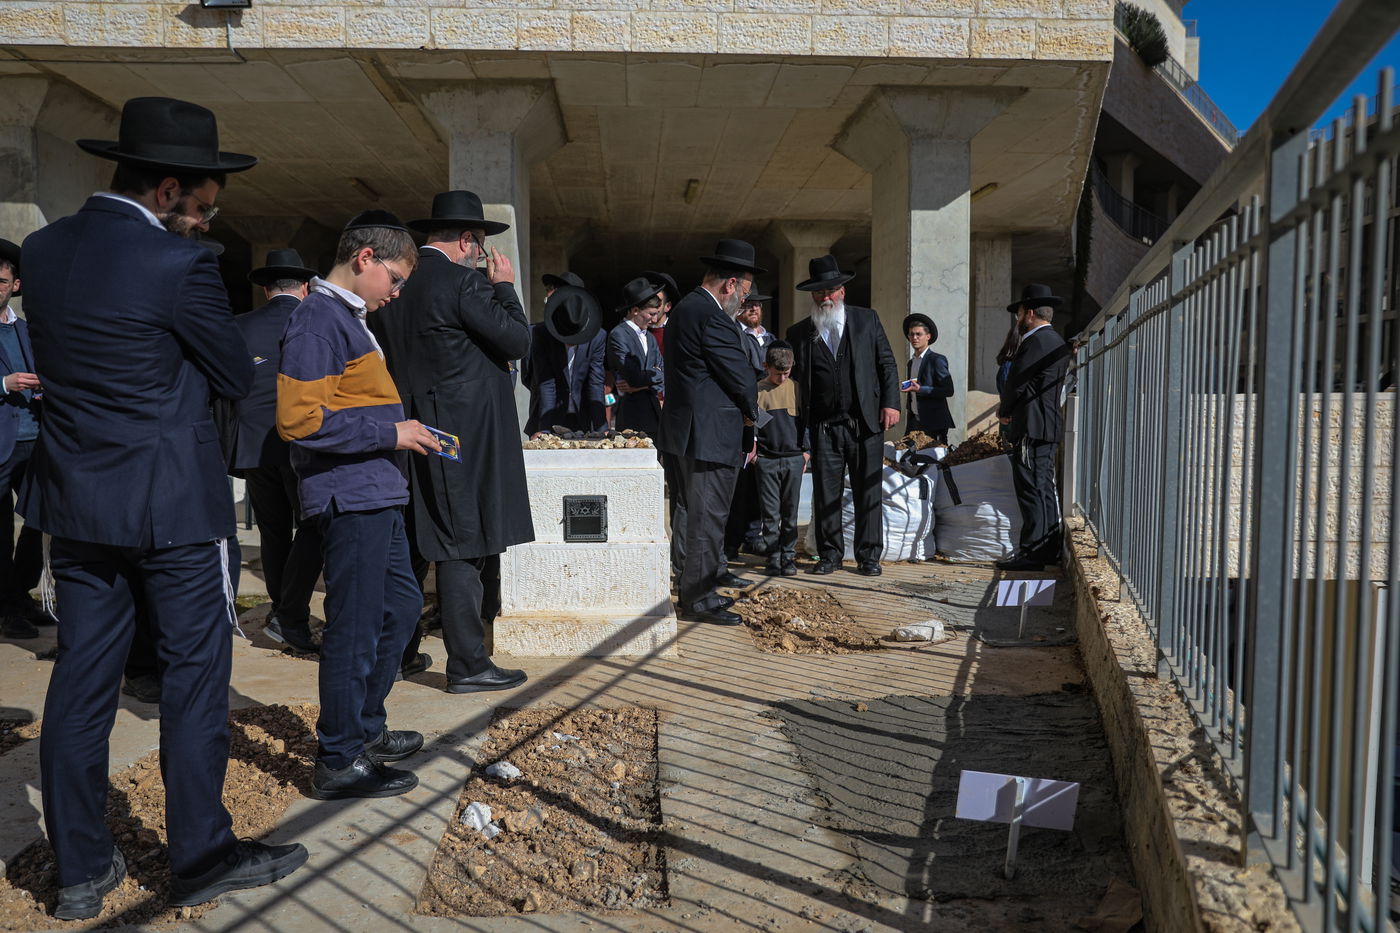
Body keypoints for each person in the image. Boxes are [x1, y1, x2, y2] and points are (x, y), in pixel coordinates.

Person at [19, 96, 307, 920]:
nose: (209, 219)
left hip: (76, 500)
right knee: (193, 674)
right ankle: (202, 854)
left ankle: (80, 870)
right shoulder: (180, 264)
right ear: (169, 189)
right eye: (205, 205)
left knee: (82, 677)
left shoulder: (41, 248)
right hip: (171, 505)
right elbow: (233, 373)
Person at [276, 209, 441, 798]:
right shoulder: (318, 318)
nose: (396, 293)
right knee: (355, 625)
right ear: (364, 258)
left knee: (400, 607)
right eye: (394, 279)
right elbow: (298, 420)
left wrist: (397, 430)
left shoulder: (344, 317)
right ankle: (339, 757)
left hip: (374, 491)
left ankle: (364, 728)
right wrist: (390, 433)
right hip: (350, 495)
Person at [372, 190, 532, 695]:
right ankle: (468, 664)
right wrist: (505, 286)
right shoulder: (464, 282)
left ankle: (398, 654)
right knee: (463, 542)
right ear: (467, 240)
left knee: (415, 540)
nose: (481, 256)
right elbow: (518, 341)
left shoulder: (396, 283)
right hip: (458, 435)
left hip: (408, 427)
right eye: (480, 247)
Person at [657, 239, 761, 625]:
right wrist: (752, 416)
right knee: (707, 520)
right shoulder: (712, 315)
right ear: (730, 284)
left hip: (687, 433)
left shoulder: (686, 308)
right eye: (744, 293)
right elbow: (741, 378)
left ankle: (698, 589)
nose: (743, 302)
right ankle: (698, 600)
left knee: (696, 517)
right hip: (709, 436)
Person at [226, 248, 322, 653]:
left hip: (255, 444)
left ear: (267, 290)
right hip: (305, 442)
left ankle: (283, 609)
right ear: (305, 287)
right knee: (315, 527)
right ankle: (291, 614)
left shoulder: (239, 325)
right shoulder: (317, 320)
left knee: (273, 530)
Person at [786, 254, 899, 577]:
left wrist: (891, 403)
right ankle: (830, 555)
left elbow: (886, 364)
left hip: (864, 423)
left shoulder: (867, 320)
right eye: (819, 292)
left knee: (868, 491)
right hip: (824, 427)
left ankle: (869, 556)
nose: (826, 297)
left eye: (831, 290)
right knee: (826, 493)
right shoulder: (799, 333)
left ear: (842, 291)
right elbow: (794, 381)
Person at [997, 284, 1071, 572]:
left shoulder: (1036, 341)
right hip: (1045, 424)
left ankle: (1032, 552)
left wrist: (1005, 411)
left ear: (1029, 314)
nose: (1017, 319)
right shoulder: (1054, 340)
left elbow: (1017, 383)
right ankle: (1047, 549)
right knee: (1043, 487)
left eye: (1018, 313)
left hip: (1032, 426)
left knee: (1031, 489)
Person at [0, 239, 46, 640]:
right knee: (1, 532)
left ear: (15, 285)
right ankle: (9, 609)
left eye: (0, 281)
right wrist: (4, 383)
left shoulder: (25, 329)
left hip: (36, 439)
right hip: (2, 445)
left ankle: (20, 595)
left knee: (40, 520)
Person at [523, 273, 607, 436]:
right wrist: (544, 430)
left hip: (582, 418)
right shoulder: (540, 334)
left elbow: (595, 383)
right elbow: (545, 383)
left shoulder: (598, 337)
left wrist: (601, 428)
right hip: (547, 416)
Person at [753, 342, 807, 577]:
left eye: (786, 373)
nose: (782, 378)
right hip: (767, 458)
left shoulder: (797, 389)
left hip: (794, 457)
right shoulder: (757, 390)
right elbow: (753, 425)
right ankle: (773, 556)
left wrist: (806, 452)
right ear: (766, 366)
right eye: (777, 373)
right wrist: (754, 453)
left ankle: (788, 555)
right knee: (770, 512)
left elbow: (806, 422)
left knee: (790, 511)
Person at [607, 276, 665, 436]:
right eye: (651, 314)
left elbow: (664, 373)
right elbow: (633, 377)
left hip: (654, 413)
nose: (655, 320)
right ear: (635, 310)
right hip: (631, 415)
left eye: (657, 314)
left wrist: (644, 385)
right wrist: (653, 376)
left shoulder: (650, 338)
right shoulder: (619, 335)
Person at [900, 313, 954, 444]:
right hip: (914, 420)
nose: (914, 338)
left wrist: (921, 389)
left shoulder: (937, 359)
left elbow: (948, 390)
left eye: (918, 334)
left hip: (934, 422)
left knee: (934, 456)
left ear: (928, 337)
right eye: (911, 334)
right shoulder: (911, 363)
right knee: (907, 453)